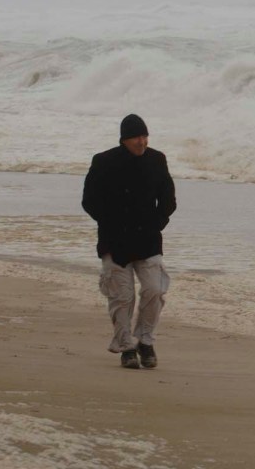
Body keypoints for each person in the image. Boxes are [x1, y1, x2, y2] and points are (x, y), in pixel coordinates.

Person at [82, 114, 177, 369]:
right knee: (122, 297)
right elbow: (89, 201)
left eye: (145, 136)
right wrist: (110, 224)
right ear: (124, 139)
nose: (142, 142)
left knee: (155, 291)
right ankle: (126, 346)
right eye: (137, 137)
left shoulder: (157, 160)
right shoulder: (103, 162)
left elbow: (168, 200)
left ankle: (145, 341)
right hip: (115, 241)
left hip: (148, 240)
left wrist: (157, 223)